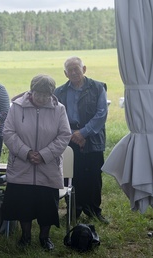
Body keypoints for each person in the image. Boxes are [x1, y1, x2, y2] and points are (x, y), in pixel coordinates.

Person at [2, 74, 71, 251]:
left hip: (48, 167)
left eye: (45, 96)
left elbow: (64, 135)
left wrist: (44, 155)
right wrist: (26, 153)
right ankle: (25, 236)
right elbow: (8, 132)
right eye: (38, 94)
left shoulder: (59, 109)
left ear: (52, 94)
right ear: (31, 91)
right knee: (23, 203)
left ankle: (44, 237)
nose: (41, 99)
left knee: (47, 204)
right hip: (21, 165)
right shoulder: (16, 107)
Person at [54, 56, 108, 223]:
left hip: (93, 138)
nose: (73, 72)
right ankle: (74, 210)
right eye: (70, 70)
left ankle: (93, 210)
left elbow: (101, 114)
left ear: (84, 69)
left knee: (93, 175)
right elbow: (56, 116)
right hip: (69, 139)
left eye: (76, 69)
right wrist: (73, 134)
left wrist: (83, 133)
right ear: (65, 73)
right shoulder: (59, 92)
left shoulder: (98, 87)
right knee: (72, 174)